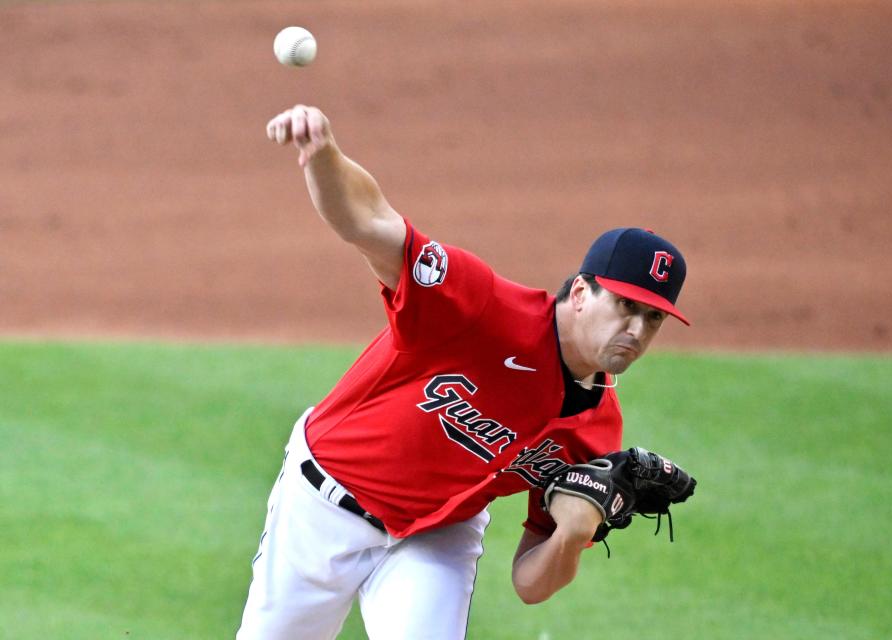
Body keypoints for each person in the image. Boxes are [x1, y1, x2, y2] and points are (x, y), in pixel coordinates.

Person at [237, 104, 691, 640]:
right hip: (322, 503)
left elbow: (531, 584)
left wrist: (572, 532)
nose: (637, 331)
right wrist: (322, 155)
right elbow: (371, 222)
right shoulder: (482, 306)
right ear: (581, 294)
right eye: (626, 307)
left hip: (434, 536)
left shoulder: (595, 432)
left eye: (654, 318)